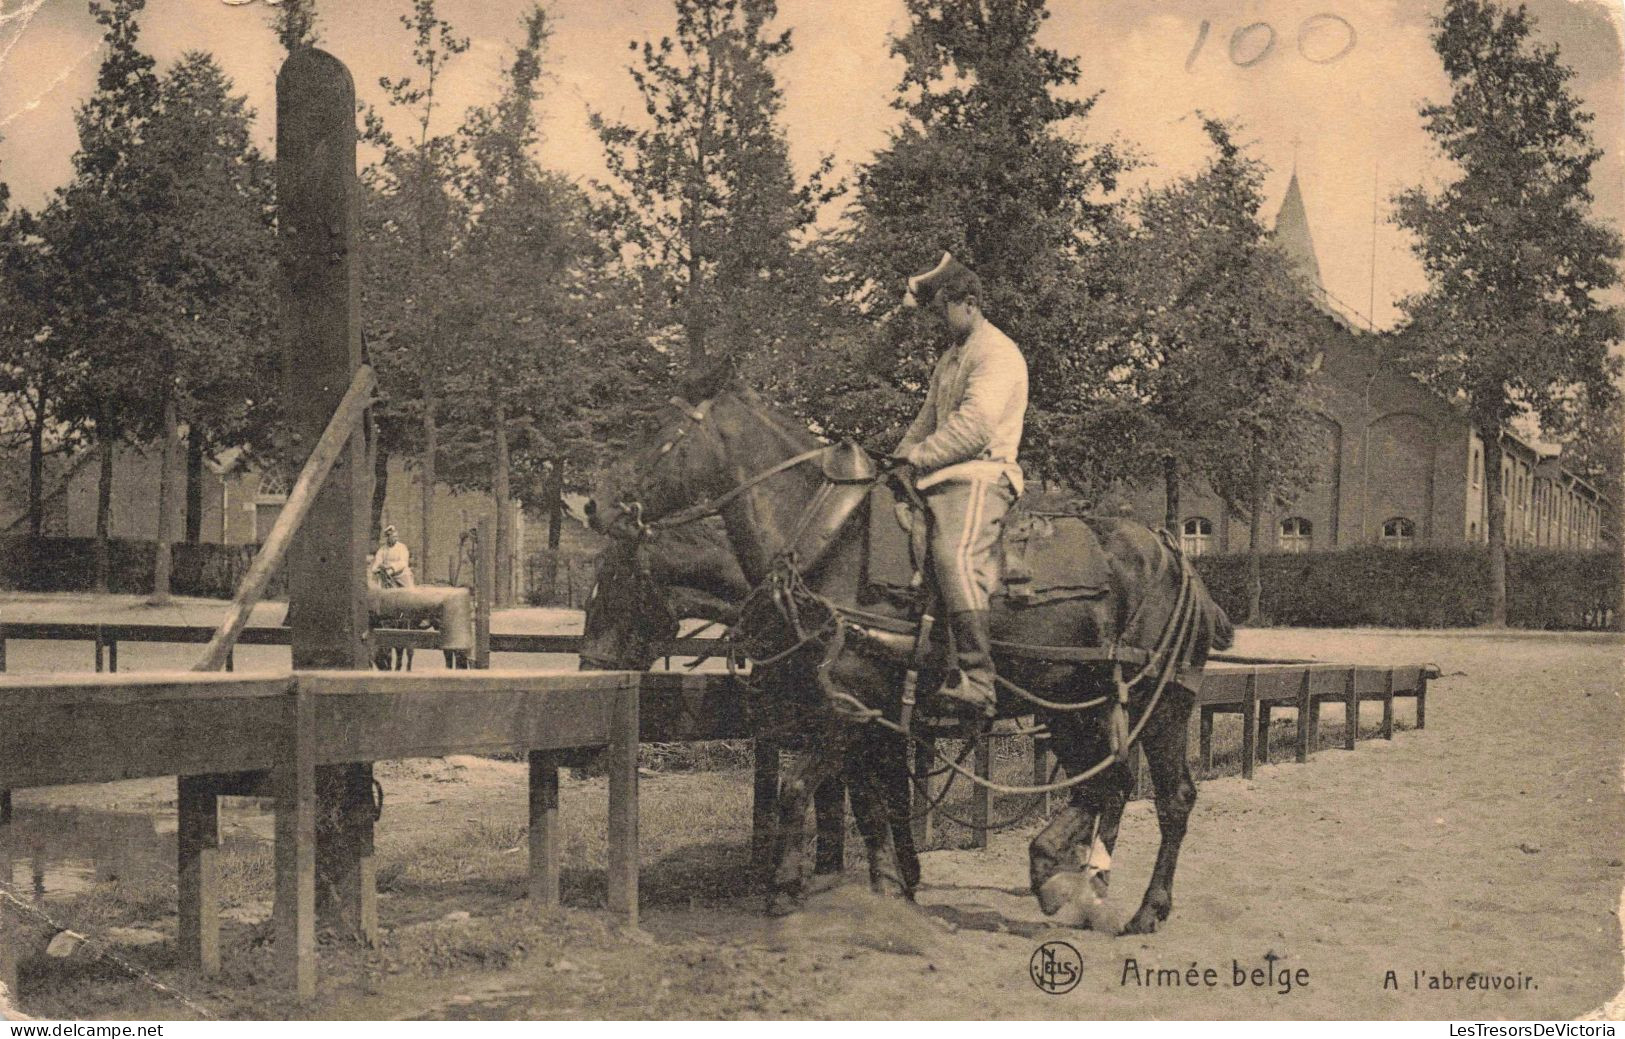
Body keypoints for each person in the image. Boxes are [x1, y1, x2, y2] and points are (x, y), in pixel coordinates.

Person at [892, 252, 1028, 716]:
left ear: (968, 303)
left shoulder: (997, 353)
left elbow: (974, 429)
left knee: (954, 553)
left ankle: (978, 677)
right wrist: (895, 461)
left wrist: (919, 458)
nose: (937, 320)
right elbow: (924, 422)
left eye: (942, 309)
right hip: (940, 477)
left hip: (980, 477)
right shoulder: (951, 358)